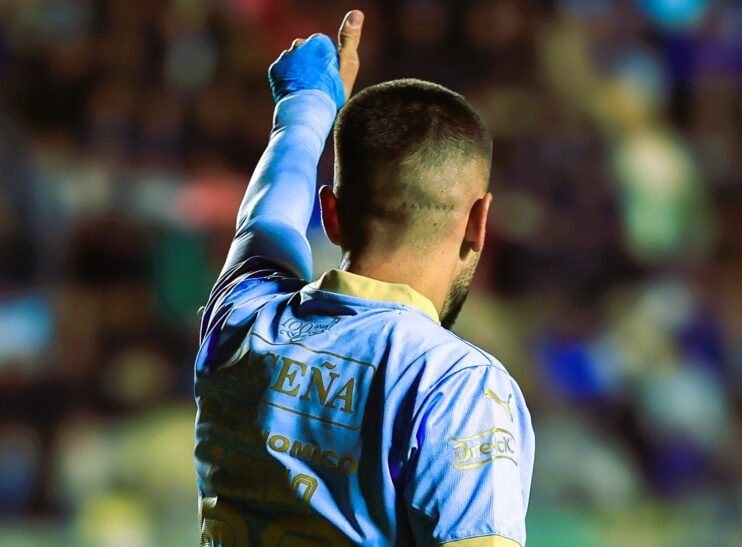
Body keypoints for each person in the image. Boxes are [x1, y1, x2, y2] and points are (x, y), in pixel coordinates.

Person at [195, 9, 534, 547]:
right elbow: (266, 223)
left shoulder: (242, 319)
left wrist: (304, 107)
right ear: (479, 221)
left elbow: (266, 220)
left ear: (330, 214)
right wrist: (305, 111)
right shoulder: (453, 383)